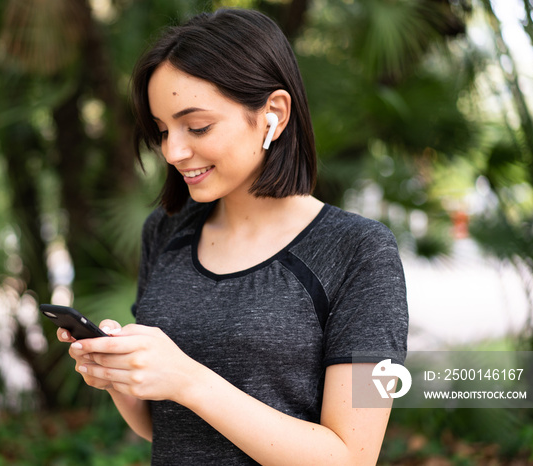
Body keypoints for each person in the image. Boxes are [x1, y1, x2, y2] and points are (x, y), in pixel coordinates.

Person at [57, 8, 408, 465]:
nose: (173, 151)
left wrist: (187, 379)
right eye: (163, 130)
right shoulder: (164, 232)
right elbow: (161, 427)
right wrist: (121, 378)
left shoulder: (360, 251)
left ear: (273, 115)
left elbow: (351, 457)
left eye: (197, 126)